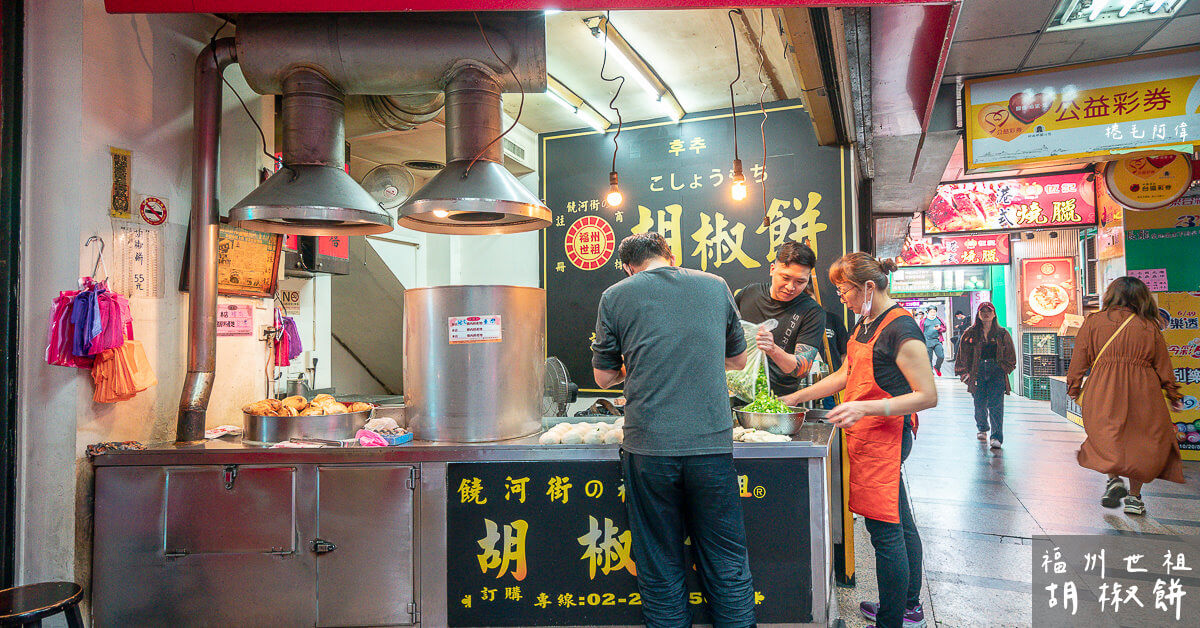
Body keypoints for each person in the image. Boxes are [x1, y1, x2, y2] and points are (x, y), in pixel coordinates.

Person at [592, 232, 755, 627]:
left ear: (630, 266)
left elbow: (603, 376)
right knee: (726, 558)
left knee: (659, 561)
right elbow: (737, 361)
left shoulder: (616, 295)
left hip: (649, 447)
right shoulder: (715, 286)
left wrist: (639, 362)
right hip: (711, 445)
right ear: (669, 254)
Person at [781, 253, 937, 628]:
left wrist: (865, 410)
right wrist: (795, 398)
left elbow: (927, 395)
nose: (841, 297)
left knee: (885, 532)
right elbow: (845, 374)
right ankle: (908, 605)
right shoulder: (866, 323)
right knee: (900, 522)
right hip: (867, 437)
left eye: (844, 289)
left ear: (869, 286)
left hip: (887, 438)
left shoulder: (902, 329)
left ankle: (891, 621)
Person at [1066, 276, 1185, 516]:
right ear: (1142, 297)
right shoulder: (1149, 325)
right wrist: (1173, 394)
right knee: (1140, 440)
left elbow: (1080, 357)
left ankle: (1113, 480)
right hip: (1143, 389)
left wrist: (1074, 386)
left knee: (1106, 434)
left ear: (1112, 295)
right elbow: (1162, 363)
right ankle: (1134, 498)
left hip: (1104, 386)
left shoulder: (1094, 322)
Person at [734, 241, 827, 396]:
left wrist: (772, 349)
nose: (791, 287)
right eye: (785, 278)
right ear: (772, 269)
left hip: (778, 399)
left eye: (800, 282)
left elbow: (802, 369)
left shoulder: (812, 312)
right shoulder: (749, 294)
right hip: (735, 389)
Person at [954, 302, 1016, 449]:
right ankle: (982, 427)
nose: (986, 314)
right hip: (977, 371)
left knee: (996, 405)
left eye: (989, 311)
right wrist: (965, 373)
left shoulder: (1002, 333)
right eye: (983, 311)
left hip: (996, 371)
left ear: (994, 314)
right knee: (979, 403)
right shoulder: (970, 332)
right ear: (978, 314)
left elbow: (1010, 355)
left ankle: (996, 436)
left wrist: (1004, 369)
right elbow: (962, 354)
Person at [918, 306, 946, 376]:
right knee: (929, 358)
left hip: (937, 341)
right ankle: (930, 372)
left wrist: (940, 329)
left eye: (934, 312)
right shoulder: (923, 321)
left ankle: (937, 367)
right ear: (927, 312)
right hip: (927, 341)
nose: (933, 313)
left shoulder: (939, 320)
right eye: (931, 312)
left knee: (941, 356)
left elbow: (944, 329)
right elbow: (920, 331)